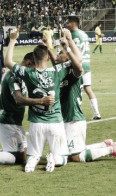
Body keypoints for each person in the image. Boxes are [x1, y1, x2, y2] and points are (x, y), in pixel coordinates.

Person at [47, 28, 116, 163]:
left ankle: (110, 150)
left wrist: (69, 43)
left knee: (75, 156)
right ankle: (104, 145)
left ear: (68, 58)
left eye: (60, 53)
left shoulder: (73, 72)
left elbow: (78, 62)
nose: (57, 55)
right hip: (67, 118)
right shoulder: (63, 72)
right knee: (69, 151)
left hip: (74, 119)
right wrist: (47, 46)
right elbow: (56, 64)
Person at [0, 52, 55, 167]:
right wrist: (42, 101)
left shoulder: (18, 74)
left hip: (14, 121)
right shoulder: (14, 76)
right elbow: (19, 99)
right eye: (34, 68)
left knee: (25, 155)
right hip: (9, 122)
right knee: (16, 159)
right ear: (28, 64)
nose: (34, 71)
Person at [5, 27, 74, 173]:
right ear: (48, 58)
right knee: (63, 157)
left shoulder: (29, 73)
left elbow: (8, 62)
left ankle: (31, 163)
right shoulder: (57, 71)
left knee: (33, 154)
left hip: (37, 123)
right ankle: (53, 160)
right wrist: (60, 45)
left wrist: (12, 40)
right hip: (55, 121)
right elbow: (75, 61)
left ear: (33, 59)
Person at [65, 16, 101, 120]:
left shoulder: (74, 35)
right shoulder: (83, 34)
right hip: (87, 63)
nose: (67, 24)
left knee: (76, 89)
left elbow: (76, 51)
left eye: (68, 22)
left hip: (78, 64)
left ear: (73, 23)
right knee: (88, 89)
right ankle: (97, 113)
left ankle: (75, 113)